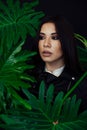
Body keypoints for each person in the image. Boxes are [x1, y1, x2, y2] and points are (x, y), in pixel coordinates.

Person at [29, 15, 87, 113]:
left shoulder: (81, 84)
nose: (46, 44)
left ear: (66, 41)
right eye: (42, 37)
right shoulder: (26, 78)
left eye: (54, 37)